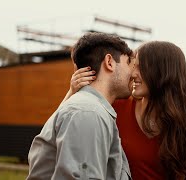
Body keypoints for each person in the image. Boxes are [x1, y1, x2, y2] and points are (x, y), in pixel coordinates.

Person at [65, 41, 186, 180]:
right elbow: (58, 130)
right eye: (133, 66)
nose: (133, 74)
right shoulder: (117, 106)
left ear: (162, 72)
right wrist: (71, 93)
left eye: (141, 68)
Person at [27, 32, 134, 180]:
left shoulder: (88, 109)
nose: (134, 72)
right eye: (129, 62)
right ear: (109, 62)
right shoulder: (88, 113)